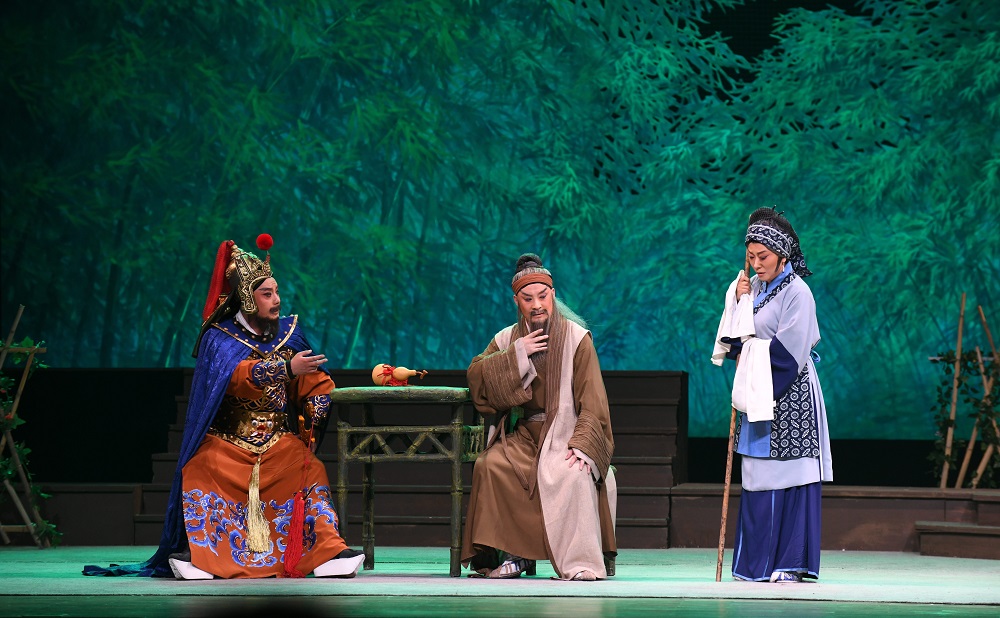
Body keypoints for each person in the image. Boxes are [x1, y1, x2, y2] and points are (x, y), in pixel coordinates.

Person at [84, 237, 363, 579]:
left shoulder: (290, 332)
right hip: (227, 442)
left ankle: (326, 552)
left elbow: (312, 379)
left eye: (276, 292)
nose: (277, 300)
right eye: (267, 294)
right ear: (247, 298)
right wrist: (285, 369)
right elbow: (234, 378)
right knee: (199, 468)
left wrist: (317, 400)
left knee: (311, 470)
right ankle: (201, 556)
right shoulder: (220, 338)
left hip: (278, 442)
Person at [461, 253, 616, 581]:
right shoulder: (507, 339)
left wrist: (583, 445)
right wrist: (518, 354)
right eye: (528, 299)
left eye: (542, 297)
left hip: (565, 434)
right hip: (523, 435)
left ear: (553, 295)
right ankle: (514, 556)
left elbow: (593, 401)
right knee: (490, 465)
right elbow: (477, 375)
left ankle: (579, 561)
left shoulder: (577, 339)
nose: (536, 305)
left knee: (573, 473)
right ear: (516, 301)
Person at [717, 208, 833, 583]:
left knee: (791, 477)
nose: (756, 264)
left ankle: (789, 563)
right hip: (757, 391)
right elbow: (736, 343)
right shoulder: (753, 288)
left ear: (782, 254)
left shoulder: (798, 293)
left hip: (790, 394)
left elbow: (787, 355)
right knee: (756, 476)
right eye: (751, 256)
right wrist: (737, 302)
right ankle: (755, 564)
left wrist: (750, 351)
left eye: (763, 256)